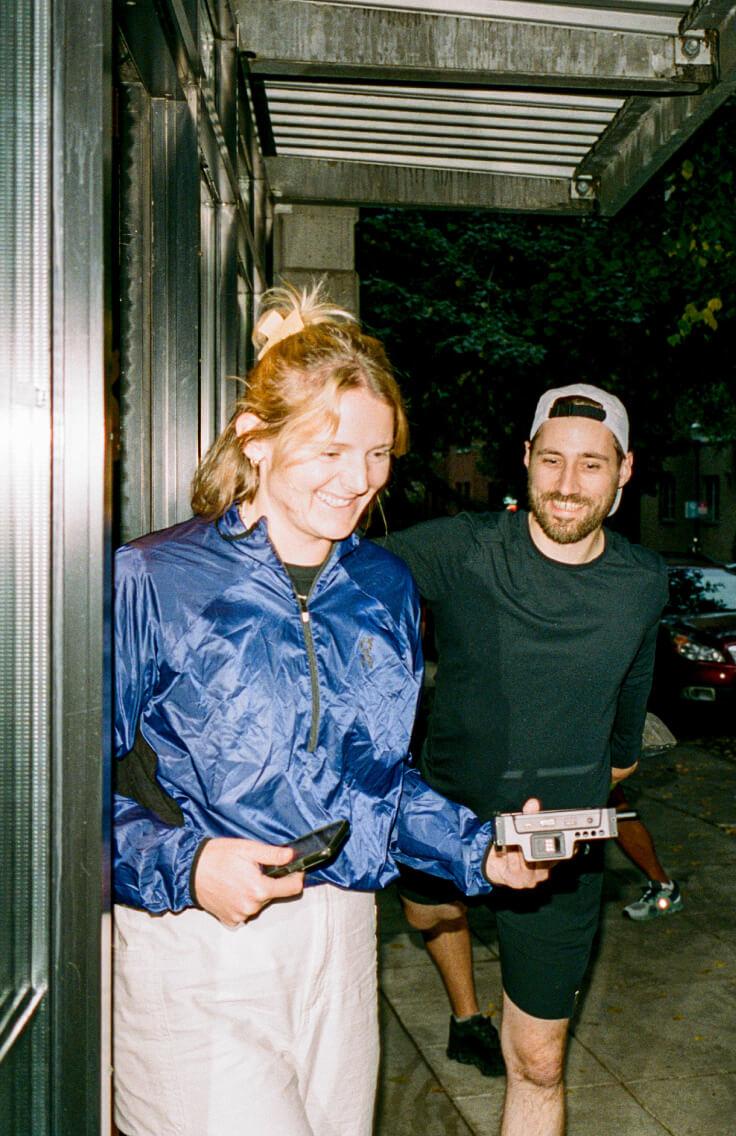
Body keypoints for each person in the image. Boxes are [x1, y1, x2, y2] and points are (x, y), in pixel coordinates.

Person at [111, 283, 549, 1136]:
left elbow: (376, 786)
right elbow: (60, 794)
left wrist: (481, 851)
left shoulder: (384, 587)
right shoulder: (154, 579)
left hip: (343, 937)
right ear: (257, 441)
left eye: (379, 455)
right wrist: (188, 864)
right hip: (199, 944)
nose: (359, 483)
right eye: (330, 452)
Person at [383, 383, 668, 1136]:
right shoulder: (461, 549)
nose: (568, 485)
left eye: (591, 465)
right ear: (525, 461)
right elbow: (336, 575)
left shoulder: (642, 580)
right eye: (552, 461)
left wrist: (618, 759)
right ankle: (461, 999)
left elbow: (633, 679)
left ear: (624, 471)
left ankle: (487, 1021)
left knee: (539, 1063)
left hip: (561, 851)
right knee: (430, 910)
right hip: (449, 820)